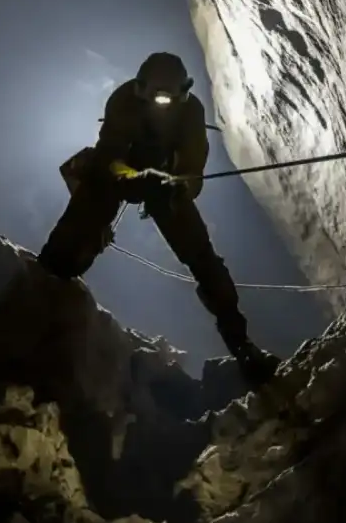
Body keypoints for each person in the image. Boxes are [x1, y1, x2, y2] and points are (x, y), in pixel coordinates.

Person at [38, 52, 280, 385]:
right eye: (156, 95)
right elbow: (110, 156)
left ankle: (243, 346)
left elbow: (194, 167)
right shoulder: (124, 100)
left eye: (170, 96)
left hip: (164, 186)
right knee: (77, 228)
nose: (162, 102)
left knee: (204, 260)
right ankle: (40, 291)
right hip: (116, 178)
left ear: (182, 92)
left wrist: (180, 185)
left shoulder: (191, 111)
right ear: (141, 89)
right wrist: (131, 175)